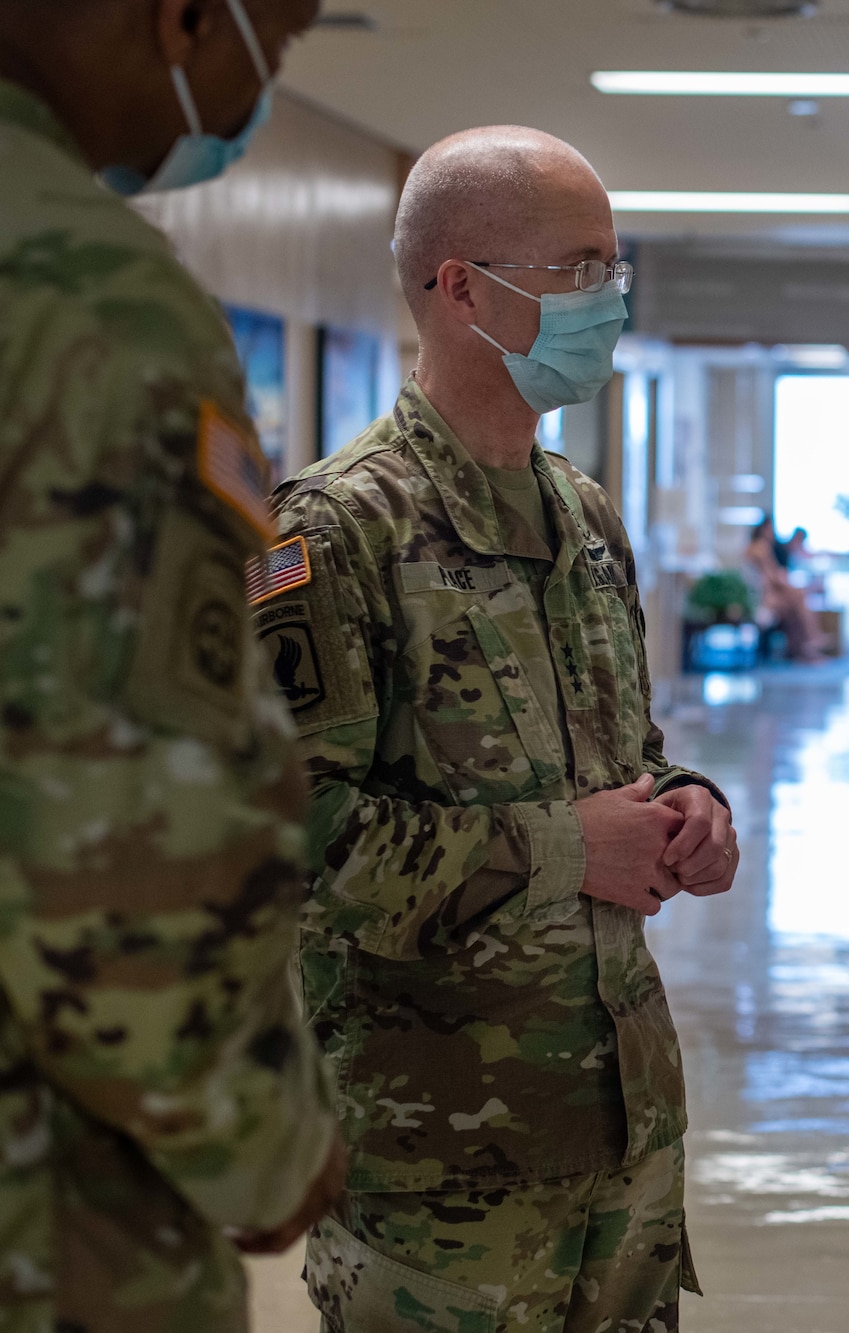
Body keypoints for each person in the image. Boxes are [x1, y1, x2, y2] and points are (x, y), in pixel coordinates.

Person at [264, 126, 739, 1331]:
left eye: (615, 270)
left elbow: (620, 754)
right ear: (461, 288)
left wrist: (687, 803)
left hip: (620, 1132)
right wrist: (570, 851)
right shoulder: (333, 534)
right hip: (433, 1176)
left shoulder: (581, 514)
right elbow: (297, 852)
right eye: (579, 269)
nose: (610, 302)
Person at [0, 0, 346, 1327]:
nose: (259, 88)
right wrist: (262, 1140)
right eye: (281, 40)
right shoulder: (88, 301)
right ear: (186, 19)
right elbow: (124, 838)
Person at [747, 515, 825, 662]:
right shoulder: (760, 548)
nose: (773, 533)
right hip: (765, 598)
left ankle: (804, 650)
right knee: (799, 598)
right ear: (764, 529)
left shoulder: (760, 548)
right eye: (771, 529)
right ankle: (811, 641)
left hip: (769, 595)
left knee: (796, 605)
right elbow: (773, 576)